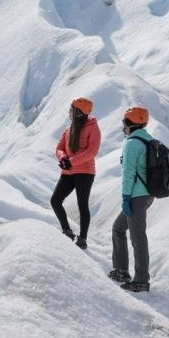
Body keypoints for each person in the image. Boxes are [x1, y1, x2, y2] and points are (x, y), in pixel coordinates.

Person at [109, 106, 156, 293]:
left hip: (136, 195)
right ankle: (121, 270)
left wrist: (125, 197)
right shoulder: (148, 140)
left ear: (129, 123)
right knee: (118, 228)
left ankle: (141, 280)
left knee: (138, 237)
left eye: (124, 122)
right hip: (147, 194)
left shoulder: (132, 143)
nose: (123, 126)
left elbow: (128, 173)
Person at [51, 97, 101, 249]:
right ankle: (67, 231)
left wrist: (70, 161)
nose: (69, 112)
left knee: (82, 204)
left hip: (85, 172)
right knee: (55, 201)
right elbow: (59, 148)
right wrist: (63, 158)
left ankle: (83, 238)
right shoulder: (69, 129)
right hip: (68, 171)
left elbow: (92, 151)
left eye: (72, 109)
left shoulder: (93, 128)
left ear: (78, 112)